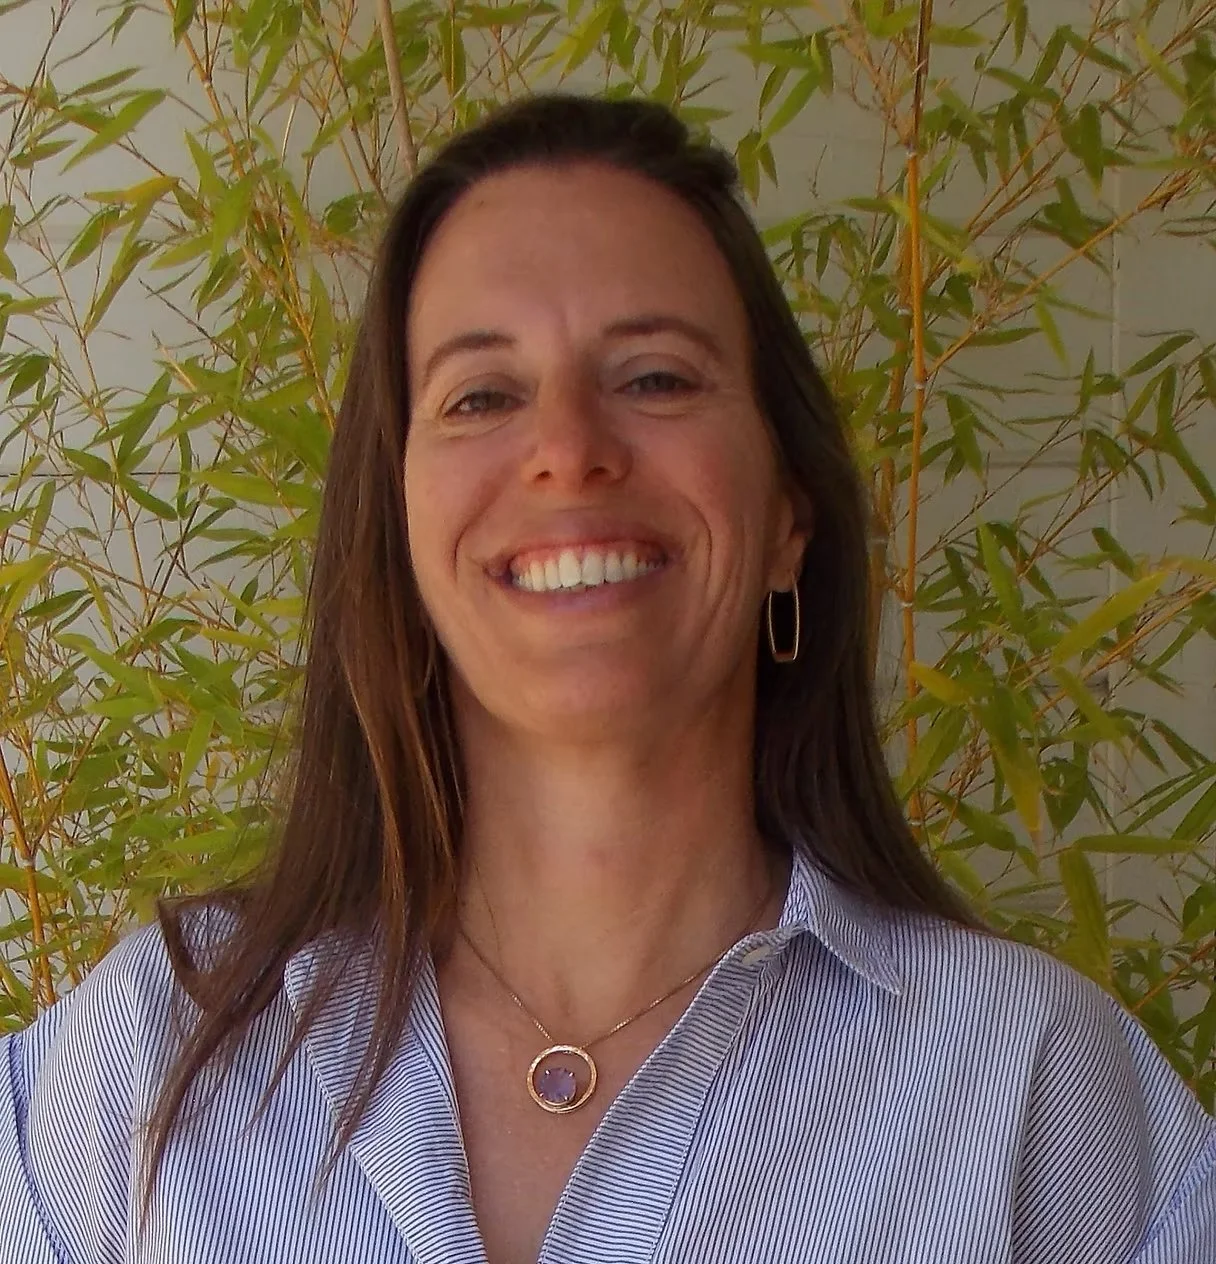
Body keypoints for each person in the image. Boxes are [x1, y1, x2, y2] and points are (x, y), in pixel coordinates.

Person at [1, 91, 1213, 1264]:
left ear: (790, 510)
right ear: (399, 526)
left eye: (656, 378)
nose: (570, 450)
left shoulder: (1032, 1090)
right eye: (481, 394)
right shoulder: (156, 1056)